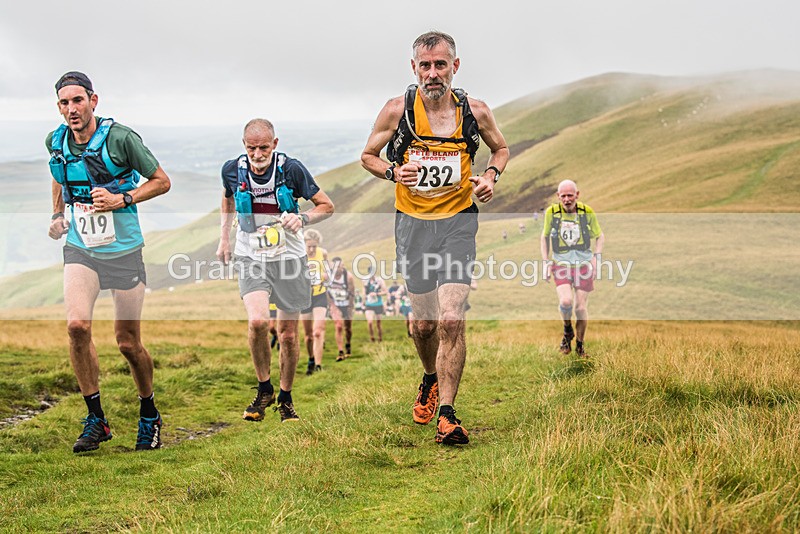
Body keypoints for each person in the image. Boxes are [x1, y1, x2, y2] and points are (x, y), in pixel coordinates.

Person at [361, 31, 509, 445]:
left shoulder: (475, 111)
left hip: (458, 223)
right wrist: (394, 172)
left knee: (451, 317)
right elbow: (368, 156)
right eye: (425, 66)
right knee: (424, 324)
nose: (432, 74)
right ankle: (429, 377)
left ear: (454, 67)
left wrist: (490, 176)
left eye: (440, 65)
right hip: (413, 225)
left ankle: (447, 414)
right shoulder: (397, 110)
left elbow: (500, 150)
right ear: (414, 68)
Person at [46, 71, 171, 453]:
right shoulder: (56, 140)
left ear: (93, 101)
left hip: (124, 250)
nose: (72, 109)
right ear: (59, 107)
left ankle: (149, 413)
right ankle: (96, 419)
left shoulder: (121, 138)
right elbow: (59, 175)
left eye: (78, 100)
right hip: (80, 247)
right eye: (65, 103)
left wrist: (123, 199)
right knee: (77, 327)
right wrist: (57, 214)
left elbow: (161, 181)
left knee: (127, 342)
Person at [216, 118, 333, 423]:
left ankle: (286, 398)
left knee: (288, 335)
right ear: (244, 145)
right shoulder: (232, 169)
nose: (257, 154)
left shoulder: (291, 169)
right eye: (251, 148)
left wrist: (303, 218)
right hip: (250, 255)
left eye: (264, 148)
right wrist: (224, 238)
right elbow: (228, 198)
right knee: (258, 322)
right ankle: (264, 388)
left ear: (275, 144)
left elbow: (326, 205)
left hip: (289, 257)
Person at [540, 180, 604, 358]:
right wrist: (545, 262)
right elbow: (544, 237)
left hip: (583, 265)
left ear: (577, 194)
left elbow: (600, 236)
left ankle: (580, 346)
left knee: (580, 308)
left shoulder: (586, 212)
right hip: (561, 264)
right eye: (563, 196)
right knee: (566, 302)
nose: (567, 199)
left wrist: (596, 258)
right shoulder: (552, 213)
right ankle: (567, 330)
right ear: (558, 196)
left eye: (570, 195)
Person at [301, 229, 329, 375]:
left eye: (314, 246)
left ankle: (318, 365)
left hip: (320, 294)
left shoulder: (322, 253)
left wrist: (325, 275)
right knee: (308, 335)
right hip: (304, 297)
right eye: (309, 246)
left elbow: (328, 272)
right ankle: (311, 358)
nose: (312, 249)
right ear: (304, 244)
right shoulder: (299, 254)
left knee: (318, 331)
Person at [327, 256, 356, 361]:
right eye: (338, 266)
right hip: (335, 304)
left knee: (348, 328)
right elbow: (326, 292)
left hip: (346, 304)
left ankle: (348, 344)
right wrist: (331, 305)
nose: (340, 268)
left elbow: (352, 293)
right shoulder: (328, 276)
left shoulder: (348, 277)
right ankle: (340, 351)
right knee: (339, 326)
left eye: (341, 266)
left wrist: (350, 307)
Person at [363, 272, 387, 342]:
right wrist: (364, 301)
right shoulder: (365, 282)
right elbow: (364, 292)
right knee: (370, 322)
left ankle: (380, 338)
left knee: (378, 323)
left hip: (378, 304)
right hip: (369, 305)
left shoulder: (380, 281)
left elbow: (385, 292)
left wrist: (376, 294)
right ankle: (372, 337)